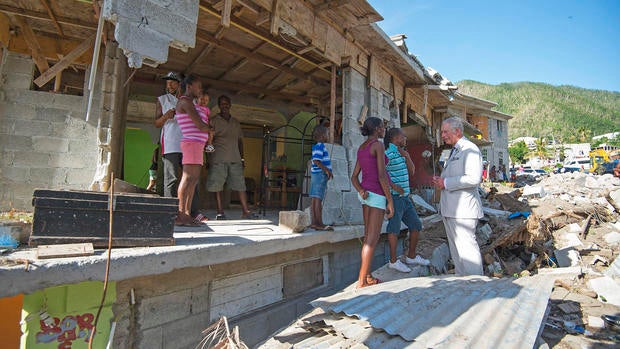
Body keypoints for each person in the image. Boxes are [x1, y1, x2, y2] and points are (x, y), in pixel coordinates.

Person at [432, 117, 484, 276]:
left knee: (467, 252)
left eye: (445, 132)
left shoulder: (470, 149)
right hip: (451, 211)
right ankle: (463, 285)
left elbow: (474, 179)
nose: (443, 135)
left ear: (458, 131)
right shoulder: (455, 150)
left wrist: (445, 183)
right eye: (442, 132)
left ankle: (476, 284)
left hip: (464, 211)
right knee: (457, 252)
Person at [154, 72, 206, 224]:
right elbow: (156, 123)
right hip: (170, 143)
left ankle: (192, 212)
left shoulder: (192, 101)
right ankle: (171, 213)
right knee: (172, 179)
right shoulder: (162, 100)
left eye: (172, 82)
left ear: (180, 84)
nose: (169, 85)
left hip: (188, 142)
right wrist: (165, 116)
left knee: (192, 179)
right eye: (167, 83)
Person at [351, 117, 394, 288]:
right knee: (372, 239)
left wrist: (361, 190)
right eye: (383, 127)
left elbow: (354, 177)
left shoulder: (362, 148)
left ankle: (367, 275)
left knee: (367, 234)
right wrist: (390, 201)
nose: (384, 130)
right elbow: (382, 176)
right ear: (376, 129)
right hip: (376, 194)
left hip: (366, 195)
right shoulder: (378, 145)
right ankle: (362, 281)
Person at [383, 128, 430, 273]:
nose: (405, 138)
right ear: (396, 138)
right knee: (394, 229)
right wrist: (393, 186)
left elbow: (412, 171)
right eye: (403, 136)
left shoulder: (401, 153)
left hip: (406, 198)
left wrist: (407, 156)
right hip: (395, 198)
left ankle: (411, 256)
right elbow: (380, 174)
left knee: (416, 225)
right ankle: (393, 261)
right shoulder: (387, 154)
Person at [206, 95, 258, 219]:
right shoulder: (213, 121)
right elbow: (208, 141)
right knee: (217, 186)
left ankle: (246, 212)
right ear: (219, 106)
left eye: (226, 103)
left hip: (235, 158)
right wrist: (208, 159)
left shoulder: (236, 122)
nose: (225, 106)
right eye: (222, 103)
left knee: (240, 185)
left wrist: (242, 158)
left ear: (230, 105)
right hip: (218, 159)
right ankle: (220, 212)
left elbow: (240, 141)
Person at [174, 75, 211, 226]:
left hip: (196, 144)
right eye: (198, 86)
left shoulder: (191, 103)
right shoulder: (185, 102)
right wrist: (211, 129)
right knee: (188, 178)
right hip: (191, 143)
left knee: (193, 180)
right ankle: (181, 215)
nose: (200, 89)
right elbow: (201, 126)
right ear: (189, 86)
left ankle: (187, 214)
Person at [309, 124, 333, 231]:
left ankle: (314, 222)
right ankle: (319, 223)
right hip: (319, 175)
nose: (329, 135)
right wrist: (327, 170)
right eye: (328, 134)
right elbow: (316, 161)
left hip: (315, 175)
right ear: (323, 136)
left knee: (315, 198)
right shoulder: (320, 146)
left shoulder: (316, 146)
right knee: (318, 199)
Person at [196, 88, 215, 153]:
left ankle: (209, 145)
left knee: (211, 132)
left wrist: (210, 126)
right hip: (199, 126)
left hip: (206, 126)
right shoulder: (195, 107)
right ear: (197, 99)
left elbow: (208, 118)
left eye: (206, 100)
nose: (204, 101)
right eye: (202, 99)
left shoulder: (207, 109)